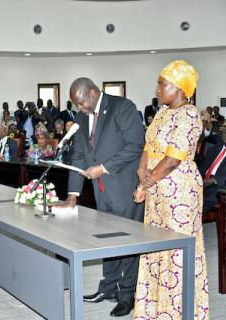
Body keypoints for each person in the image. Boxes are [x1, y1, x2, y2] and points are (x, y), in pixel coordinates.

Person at [59, 77, 145, 317]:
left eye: (81, 102)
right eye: (76, 104)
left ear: (93, 93)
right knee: (107, 241)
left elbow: (136, 146)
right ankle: (107, 287)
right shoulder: (80, 118)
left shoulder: (123, 107)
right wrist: (73, 194)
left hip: (125, 189)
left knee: (127, 242)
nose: (79, 108)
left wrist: (104, 168)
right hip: (101, 192)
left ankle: (128, 295)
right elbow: (78, 156)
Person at [133, 60, 209, 320]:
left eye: (162, 83)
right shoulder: (163, 113)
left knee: (177, 250)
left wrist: (146, 181)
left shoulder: (189, 114)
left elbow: (174, 158)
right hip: (157, 191)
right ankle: (156, 310)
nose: (157, 88)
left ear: (178, 88)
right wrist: (141, 173)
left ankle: (180, 311)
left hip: (179, 192)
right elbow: (147, 148)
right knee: (156, 247)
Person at [200, 126, 226, 213]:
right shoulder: (214, 149)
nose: (224, 134)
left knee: (202, 201)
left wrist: (212, 180)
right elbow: (202, 168)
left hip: (219, 187)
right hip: (202, 182)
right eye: (224, 132)